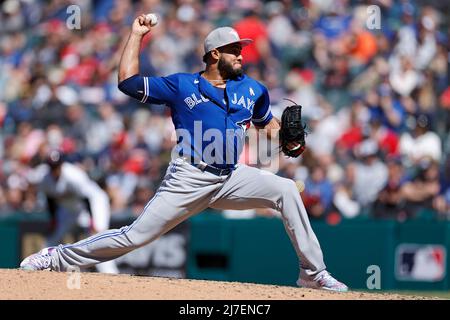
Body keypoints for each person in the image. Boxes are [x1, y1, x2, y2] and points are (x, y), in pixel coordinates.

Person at [20, 14, 348, 292]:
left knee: (287, 189)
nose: (242, 56)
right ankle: (57, 257)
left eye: (241, 50)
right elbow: (127, 82)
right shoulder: (182, 86)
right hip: (189, 176)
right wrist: (136, 35)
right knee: (134, 236)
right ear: (215, 54)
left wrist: (287, 139)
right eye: (235, 51)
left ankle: (312, 272)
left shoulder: (252, 89)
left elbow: (267, 123)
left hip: (231, 176)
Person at [34, 150, 119, 274]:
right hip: (71, 209)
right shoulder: (44, 177)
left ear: (62, 164)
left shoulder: (73, 175)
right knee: (51, 239)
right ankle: (41, 271)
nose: (54, 169)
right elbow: (50, 199)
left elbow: (88, 198)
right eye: (52, 166)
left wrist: (92, 221)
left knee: (98, 240)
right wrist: (53, 220)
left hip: (95, 203)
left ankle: (111, 274)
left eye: (57, 166)